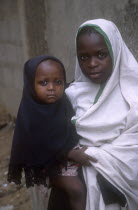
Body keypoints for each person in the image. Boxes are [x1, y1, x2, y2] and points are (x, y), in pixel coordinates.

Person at [64, 19, 138, 210]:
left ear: (115, 51)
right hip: (80, 193)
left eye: (101, 55)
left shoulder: (133, 97)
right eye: (84, 57)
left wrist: (94, 154)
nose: (92, 64)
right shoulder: (71, 96)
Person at [7, 55, 90, 210]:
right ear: (31, 84)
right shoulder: (31, 114)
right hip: (46, 165)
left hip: (67, 159)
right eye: (43, 83)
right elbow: (39, 145)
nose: (51, 88)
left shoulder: (64, 103)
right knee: (76, 189)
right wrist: (71, 153)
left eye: (58, 82)